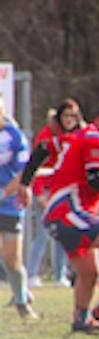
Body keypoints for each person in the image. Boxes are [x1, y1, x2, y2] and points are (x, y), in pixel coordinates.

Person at [16, 101, 99, 333]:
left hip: (60, 215)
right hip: (69, 213)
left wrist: (24, 183)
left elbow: (42, 149)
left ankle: (81, 320)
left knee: (89, 272)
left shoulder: (79, 135)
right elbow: (96, 179)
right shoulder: (96, 141)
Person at [26, 99, 84, 288]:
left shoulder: (80, 135)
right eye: (65, 115)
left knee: (63, 233)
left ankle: (61, 274)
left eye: (73, 116)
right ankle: (32, 274)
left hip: (65, 192)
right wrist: (39, 193)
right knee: (43, 233)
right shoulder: (48, 136)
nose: (69, 120)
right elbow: (36, 165)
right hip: (45, 190)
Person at [0, 96, 38, 319]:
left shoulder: (14, 136)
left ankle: (22, 299)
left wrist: (4, 193)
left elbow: (24, 172)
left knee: (12, 258)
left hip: (10, 204)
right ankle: (21, 295)